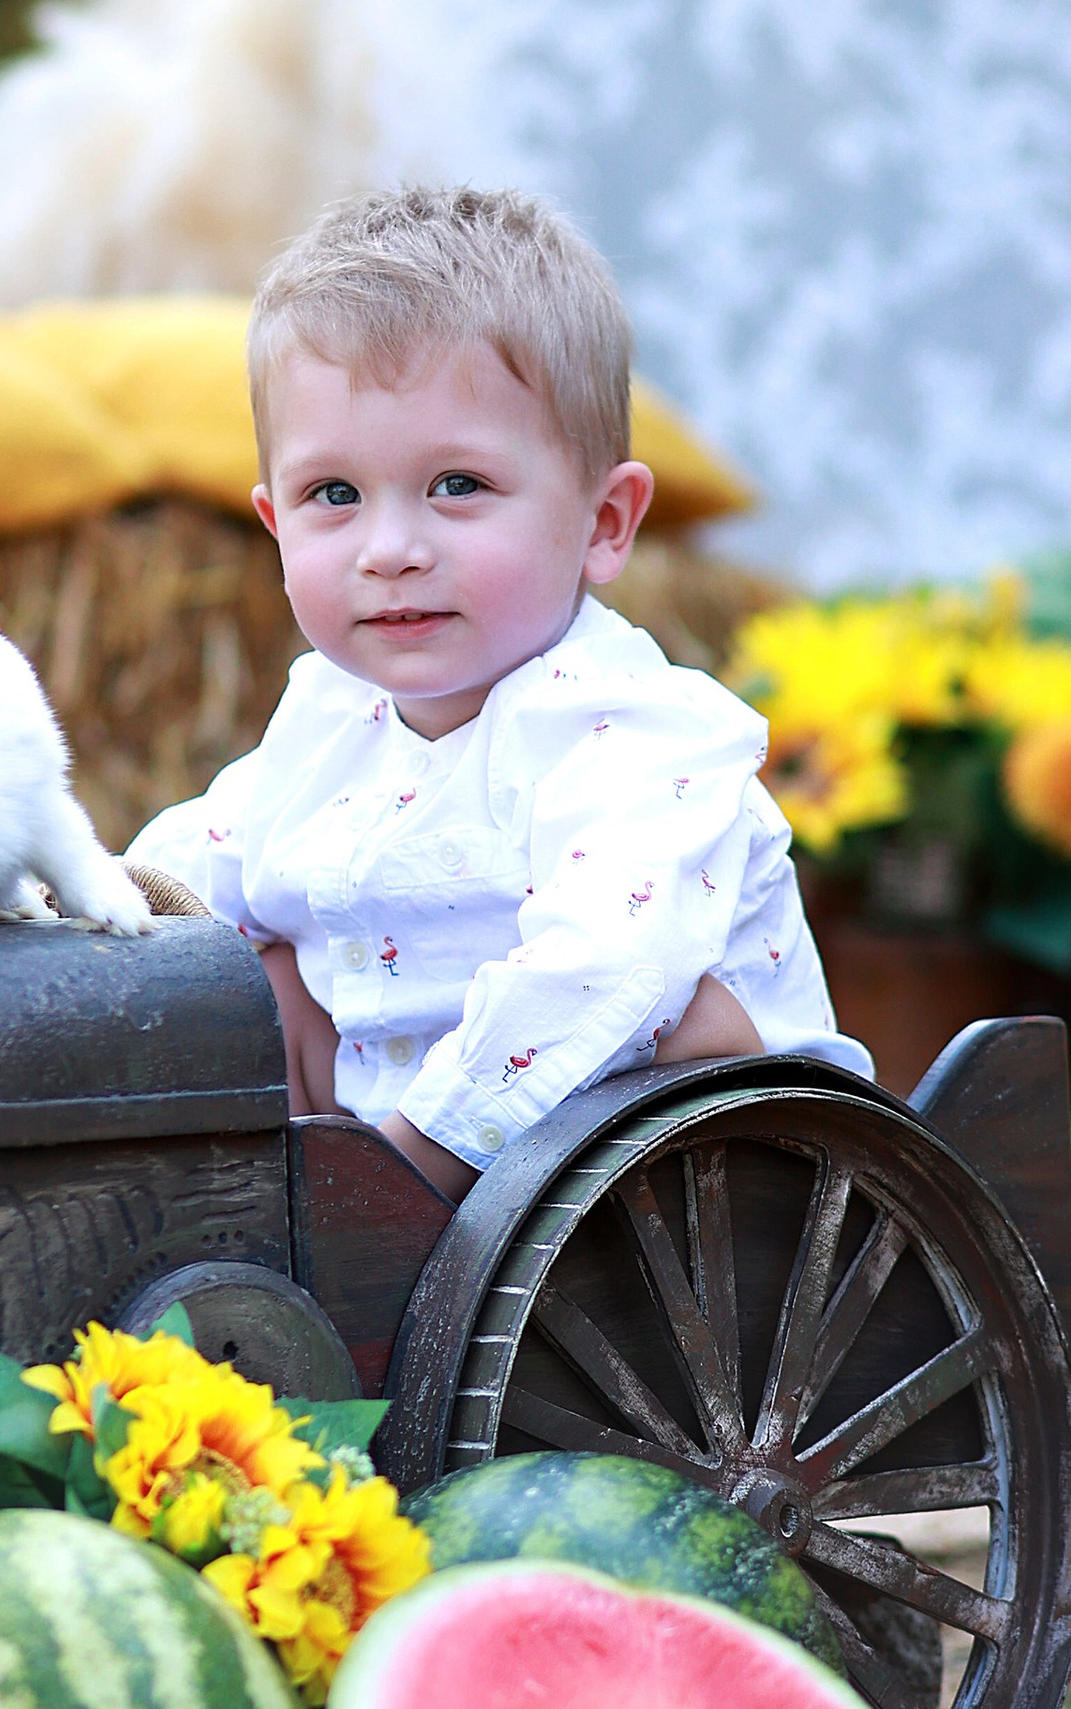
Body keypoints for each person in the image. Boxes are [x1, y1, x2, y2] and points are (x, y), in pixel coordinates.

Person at [130, 185, 871, 1198]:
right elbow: (194, 862)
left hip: (697, 1196)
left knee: (664, 1004)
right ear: (273, 522)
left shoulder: (633, 733)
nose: (390, 551)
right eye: (333, 497)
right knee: (252, 960)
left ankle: (358, 1224)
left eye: (457, 487)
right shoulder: (331, 721)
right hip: (435, 1186)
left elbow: (598, 971)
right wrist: (65, 909)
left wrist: (400, 1172)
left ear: (605, 523)